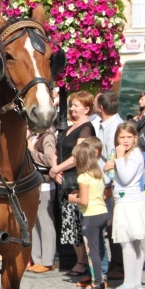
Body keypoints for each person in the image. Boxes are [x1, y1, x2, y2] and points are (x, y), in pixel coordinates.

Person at [105, 122, 145, 289]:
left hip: (130, 203)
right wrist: (108, 167)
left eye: (129, 137)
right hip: (125, 201)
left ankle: (129, 282)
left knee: (128, 242)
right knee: (133, 243)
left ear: (135, 138)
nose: (125, 141)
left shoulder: (134, 155)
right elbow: (116, 176)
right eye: (122, 137)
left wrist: (119, 158)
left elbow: (126, 178)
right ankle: (134, 282)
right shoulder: (125, 155)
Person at [50, 91, 95, 276]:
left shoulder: (86, 128)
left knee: (77, 221)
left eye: (76, 105)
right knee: (69, 221)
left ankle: (83, 262)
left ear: (86, 108)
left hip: (75, 179)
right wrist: (55, 169)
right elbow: (55, 149)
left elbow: (79, 156)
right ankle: (79, 260)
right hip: (62, 177)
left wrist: (57, 168)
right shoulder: (69, 127)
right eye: (71, 105)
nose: (72, 108)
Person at [92, 90, 124, 281]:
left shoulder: (116, 127)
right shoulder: (102, 124)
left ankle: (118, 265)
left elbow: (115, 158)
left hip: (111, 183)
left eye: (96, 102)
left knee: (114, 226)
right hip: (102, 182)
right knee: (108, 224)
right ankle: (112, 264)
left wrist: (110, 184)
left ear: (101, 107)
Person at [68, 141, 108, 289]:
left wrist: (73, 199)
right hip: (102, 212)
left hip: (90, 216)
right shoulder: (97, 175)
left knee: (92, 252)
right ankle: (101, 277)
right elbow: (100, 195)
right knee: (100, 249)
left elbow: (84, 201)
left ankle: (96, 282)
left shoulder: (83, 178)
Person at [27, 125, 57, 273]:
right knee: (34, 224)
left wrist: (32, 151)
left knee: (45, 223)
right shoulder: (33, 136)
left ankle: (47, 260)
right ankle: (36, 258)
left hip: (44, 184)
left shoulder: (47, 137)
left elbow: (50, 160)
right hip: (32, 185)